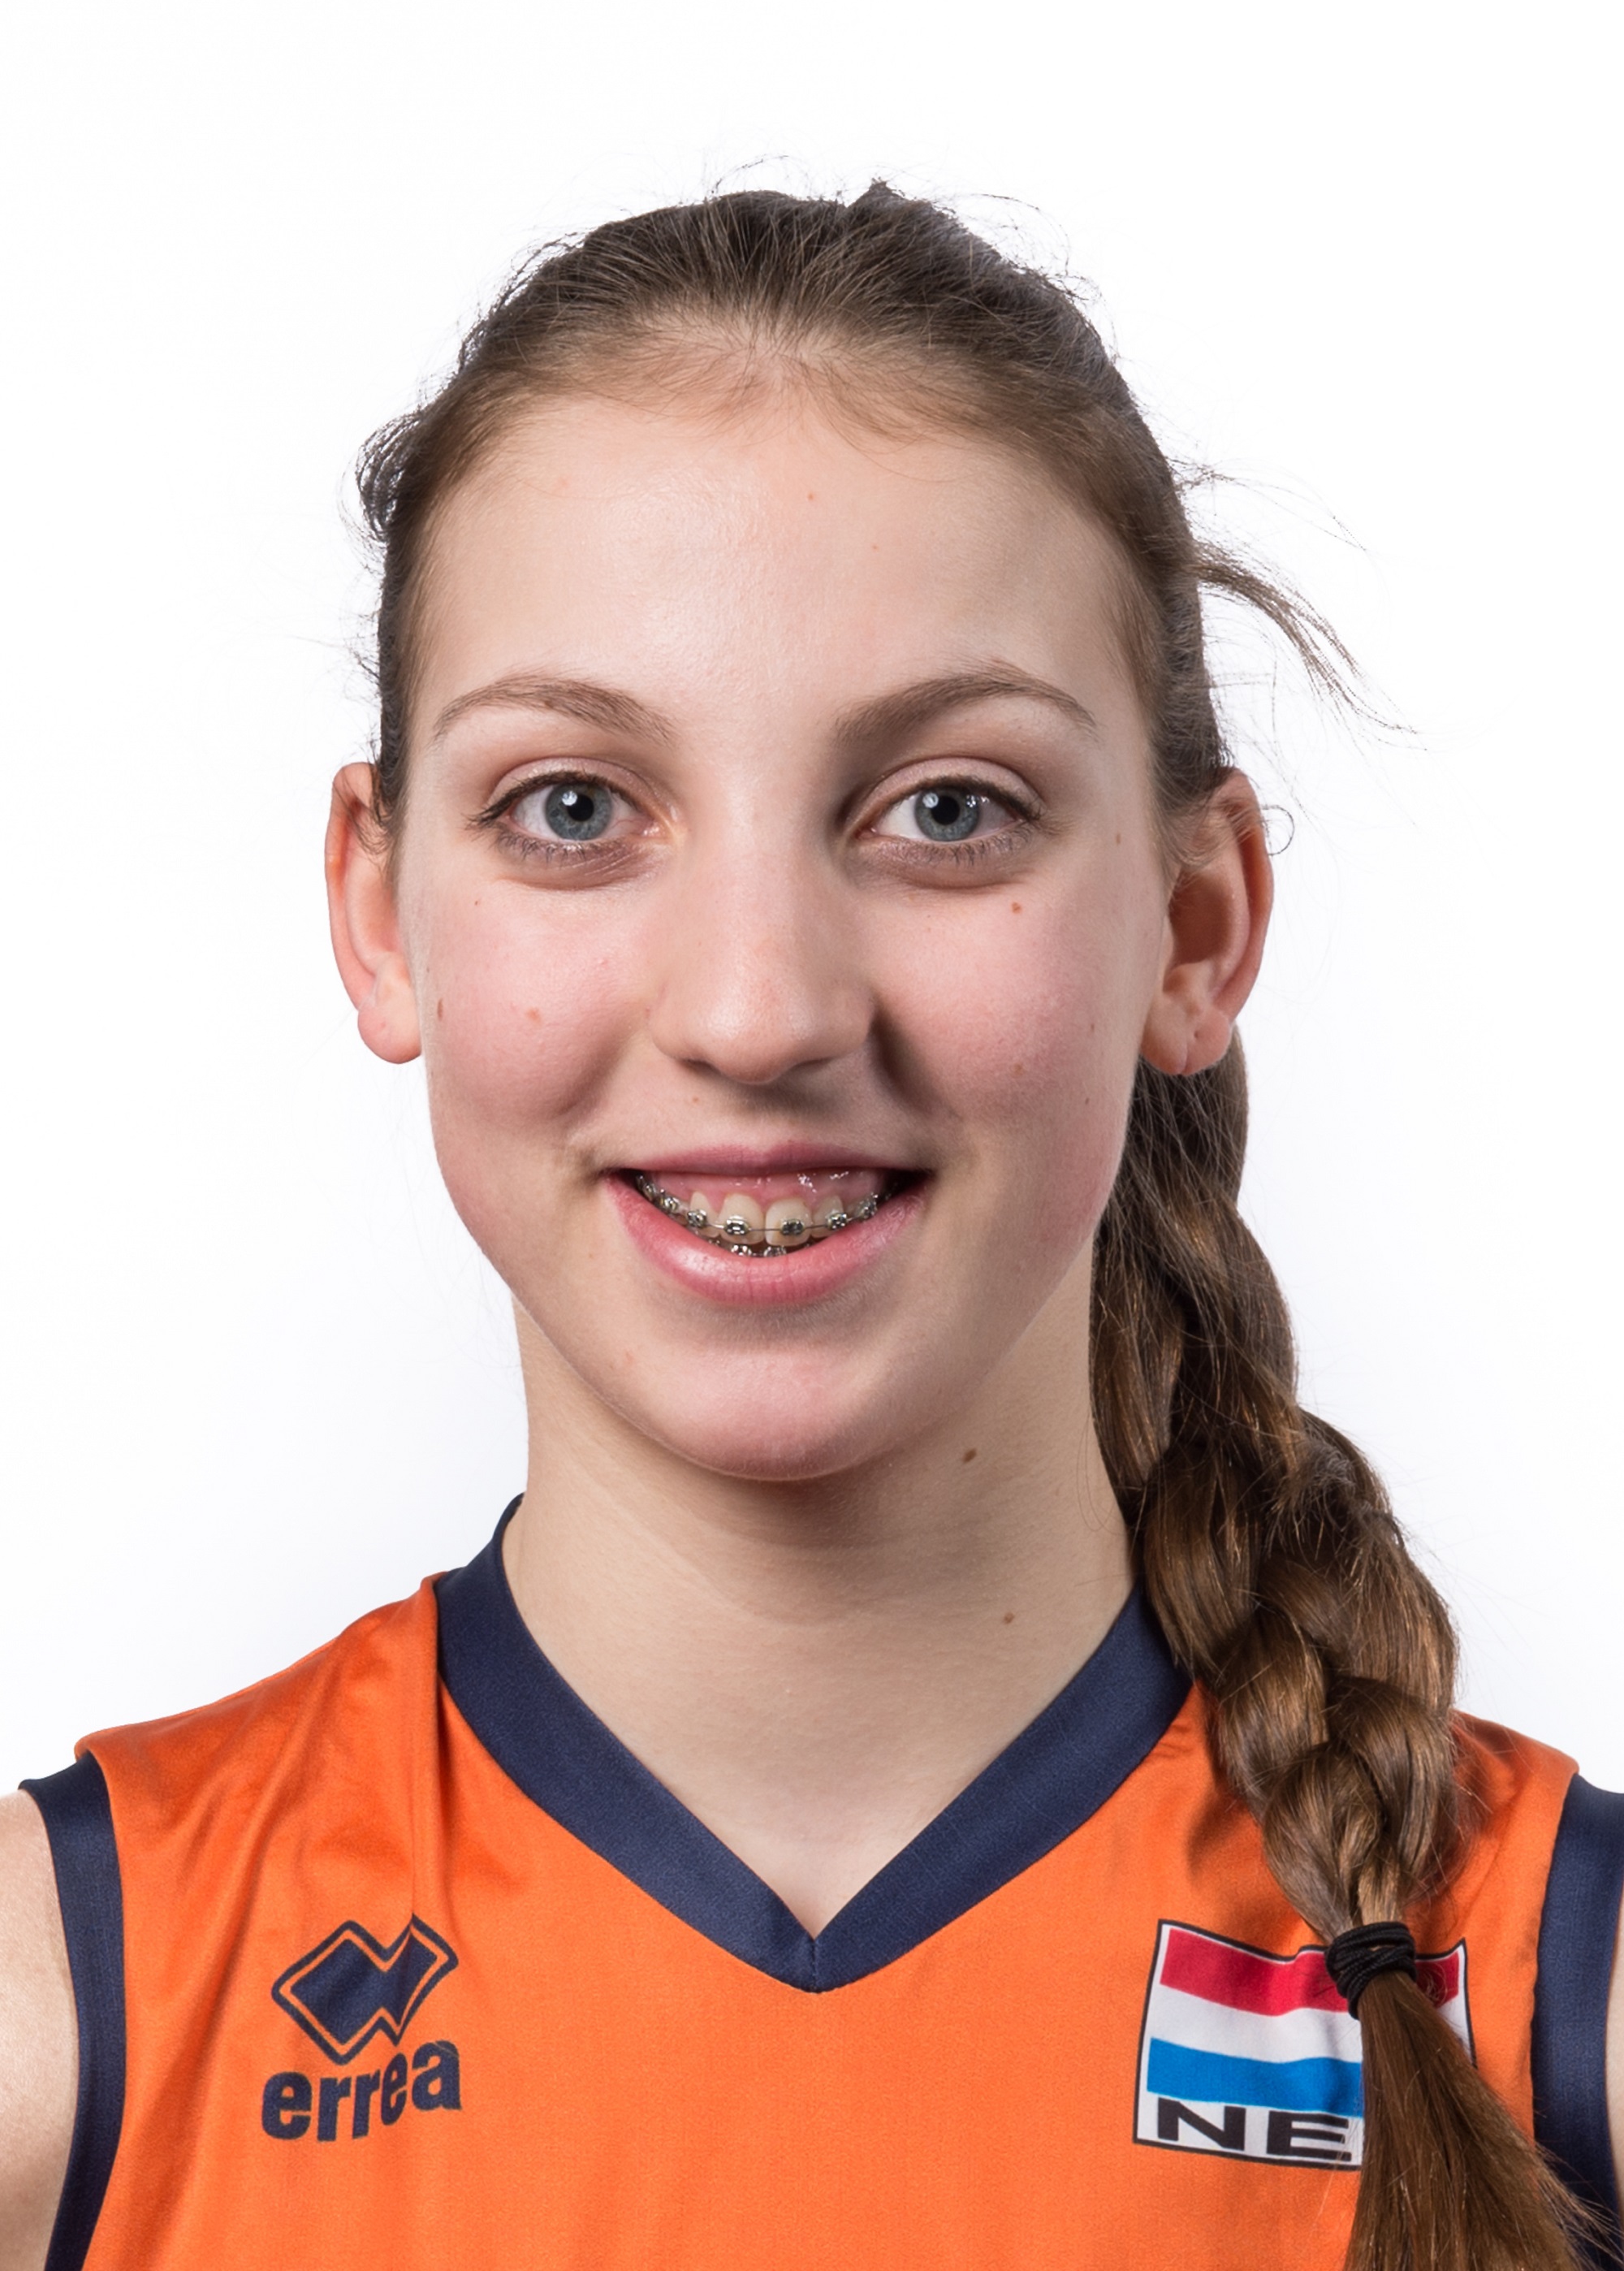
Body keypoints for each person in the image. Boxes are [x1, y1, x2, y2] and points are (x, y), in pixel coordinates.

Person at [0, 184, 1619, 2271]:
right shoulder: (67, 2016)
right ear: (380, 910)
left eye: (946, 808)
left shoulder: (1553, 2007)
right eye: (574, 807)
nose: (759, 1009)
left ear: (1195, 922)